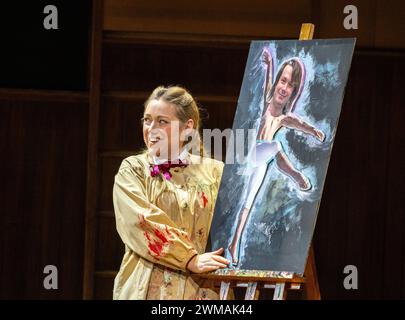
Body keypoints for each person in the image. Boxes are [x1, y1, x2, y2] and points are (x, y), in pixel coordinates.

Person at [112, 86, 229, 300]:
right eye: (147, 120)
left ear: (187, 128)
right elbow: (140, 221)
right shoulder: (133, 170)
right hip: (147, 290)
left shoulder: (215, 172)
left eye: (162, 121)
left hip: (202, 292)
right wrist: (189, 258)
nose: (151, 128)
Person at [227, 49, 325, 265]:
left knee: (248, 203)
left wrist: (315, 132)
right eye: (284, 81)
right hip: (256, 153)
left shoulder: (283, 118)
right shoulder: (267, 104)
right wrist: (270, 62)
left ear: (294, 92)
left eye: (290, 86)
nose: (284, 88)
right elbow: (269, 80)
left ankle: (234, 245)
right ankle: (296, 176)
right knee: (275, 145)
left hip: (263, 163)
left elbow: (300, 124)